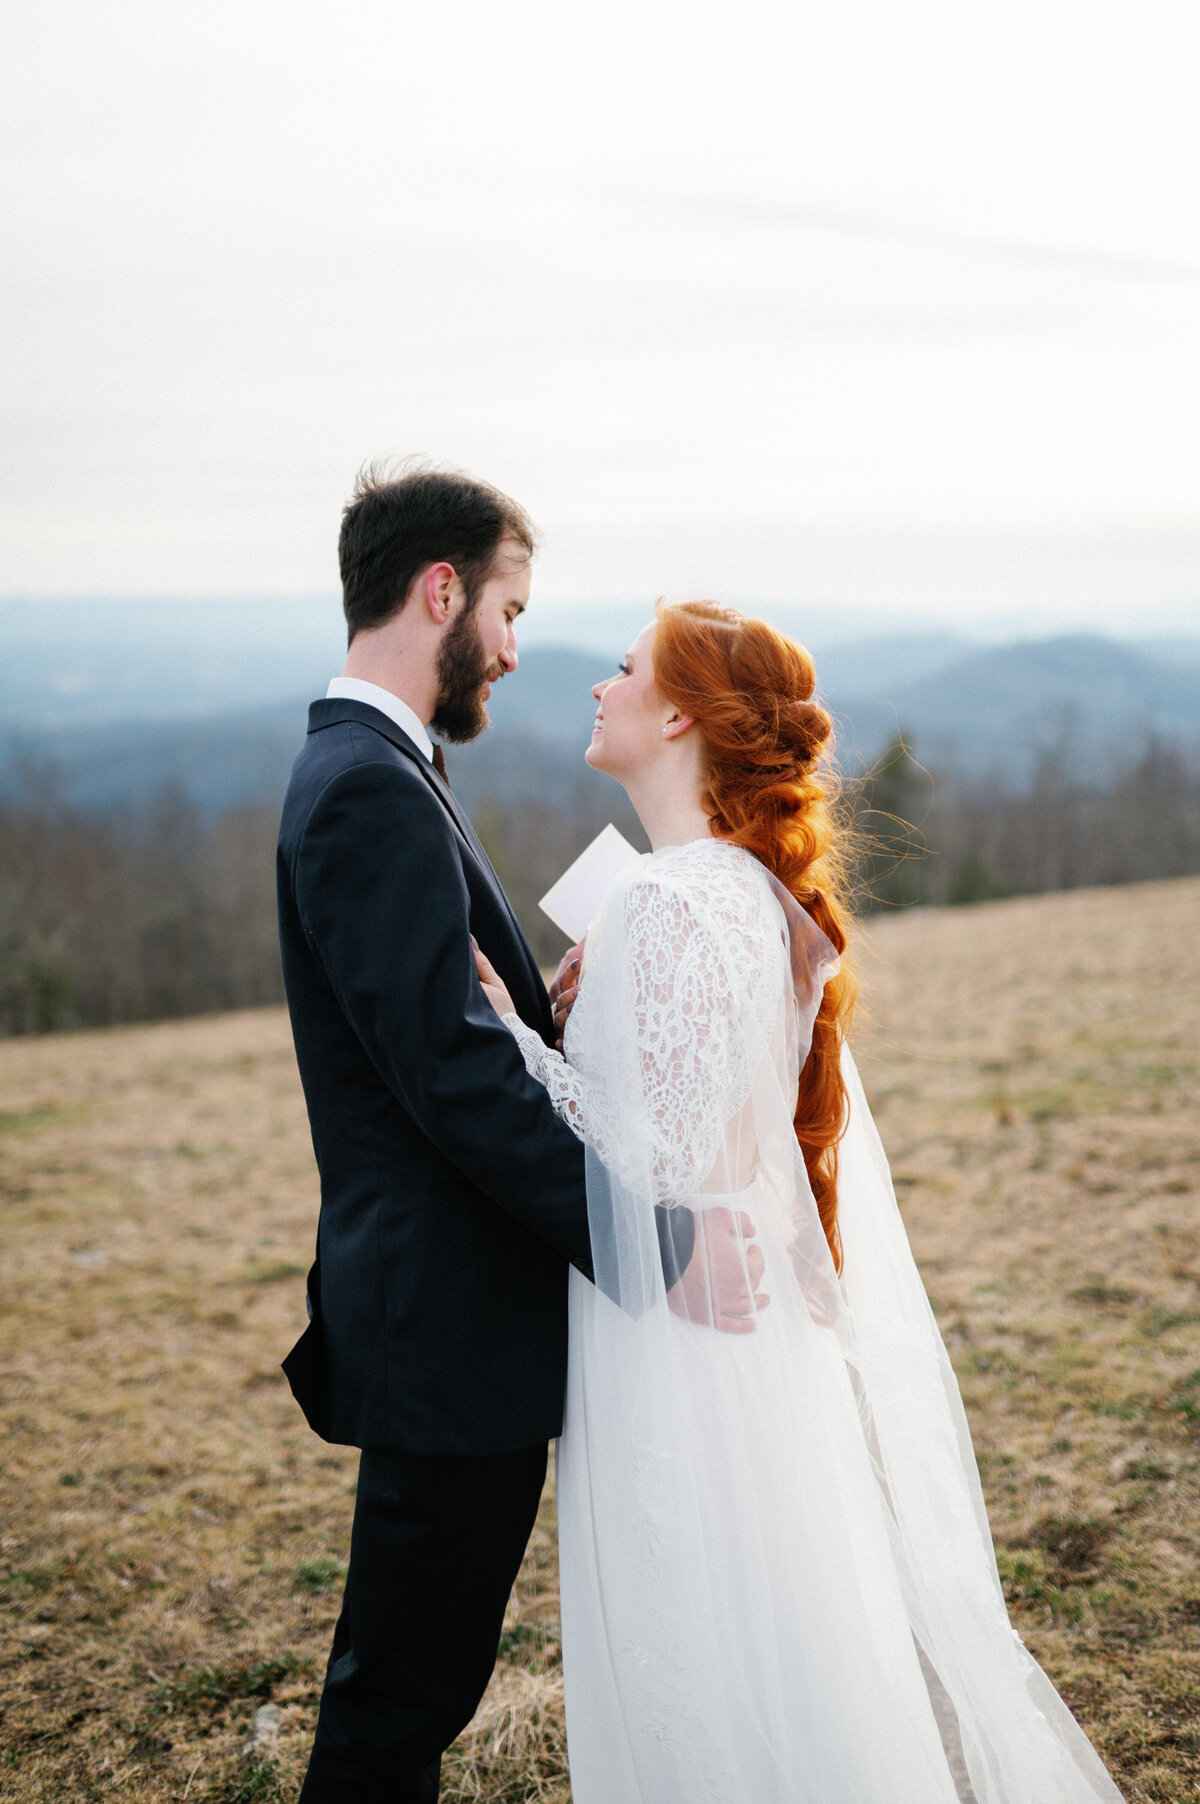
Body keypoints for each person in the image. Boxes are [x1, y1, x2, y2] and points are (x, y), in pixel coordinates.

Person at [475, 600, 1128, 1803]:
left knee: (701, 1631)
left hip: (677, 1326)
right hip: (740, 1317)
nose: (598, 688)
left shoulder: (671, 903)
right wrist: (582, 1021)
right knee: (779, 1618)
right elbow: (719, 1123)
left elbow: (651, 1161)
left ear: (677, 714)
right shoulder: (738, 893)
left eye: (623, 671)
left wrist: (518, 1042)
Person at [275, 466, 760, 1803]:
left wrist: (541, 1032)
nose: (512, 647)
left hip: (454, 1323)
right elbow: (450, 1082)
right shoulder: (369, 782)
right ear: (442, 591)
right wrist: (660, 1248)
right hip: (444, 1328)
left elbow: (450, 1043)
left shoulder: (381, 767)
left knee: (411, 1688)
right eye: (507, 609)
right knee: (398, 1707)